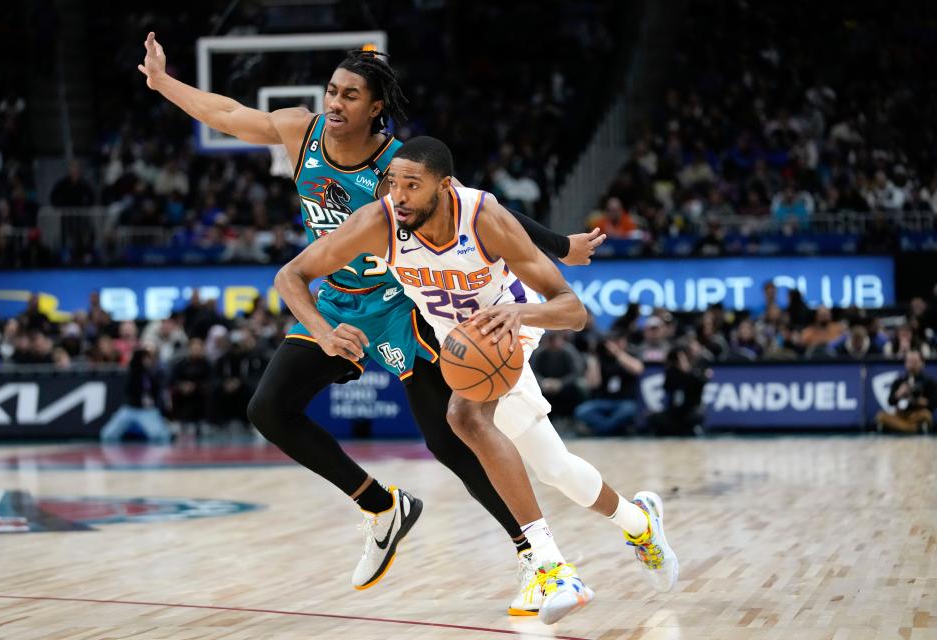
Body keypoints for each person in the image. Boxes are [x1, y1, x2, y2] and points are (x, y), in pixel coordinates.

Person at [139, 33, 606, 599]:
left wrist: (560, 246)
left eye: (350, 96)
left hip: (400, 305)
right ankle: (383, 507)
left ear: (375, 108)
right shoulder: (300, 130)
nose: (335, 104)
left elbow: (486, 210)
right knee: (269, 409)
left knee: (450, 439)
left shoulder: (399, 165)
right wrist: (164, 83)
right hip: (335, 301)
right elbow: (229, 114)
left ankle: (536, 558)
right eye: (332, 92)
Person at [277, 136, 679, 623]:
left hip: (509, 327)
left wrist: (520, 312)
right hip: (459, 340)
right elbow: (291, 276)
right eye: (392, 183)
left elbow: (573, 311)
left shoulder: (484, 217)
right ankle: (639, 521)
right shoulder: (380, 222)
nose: (398, 195)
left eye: (412, 185)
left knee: (463, 417)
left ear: (444, 187)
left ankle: (553, 568)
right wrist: (321, 333)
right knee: (554, 467)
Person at [575, 329, 643, 435]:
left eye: (619, 341)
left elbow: (638, 369)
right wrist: (594, 357)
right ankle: (611, 429)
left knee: (629, 410)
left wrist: (618, 353)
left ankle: (601, 430)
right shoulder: (600, 357)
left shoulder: (631, 353)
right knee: (582, 411)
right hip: (604, 401)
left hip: (624, 402)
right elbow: (593, 383)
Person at [100, 346, 172, 443]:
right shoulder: (132, 373)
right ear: (141, 359)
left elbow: (156, 391)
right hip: (130, 409)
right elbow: (130, 389)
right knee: (107, 434)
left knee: (160, 436)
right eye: (146, 358)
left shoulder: (152, 374)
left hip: (147, 411)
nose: (149, 361)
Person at [875, 350, 936, 434]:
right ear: (905, 363)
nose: (912, 365)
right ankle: (913, 429)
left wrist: (923, 402)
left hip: (917, 413)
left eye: (915, 361)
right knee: (881, 416)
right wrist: (899, 394)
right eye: (909, 361)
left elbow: (933, 404)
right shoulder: (899, 380)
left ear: (922, 363)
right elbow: (890, 401)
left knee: (926, 415)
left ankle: (901, 428)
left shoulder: (928, 381)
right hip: (901, 414)